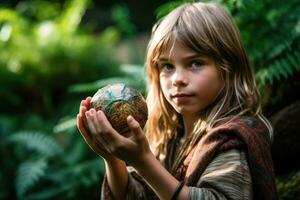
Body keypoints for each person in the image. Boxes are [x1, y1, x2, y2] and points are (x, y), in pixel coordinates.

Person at [77, 2, 278, 200]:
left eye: (195, 63)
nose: (177, 79)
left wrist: (144, 161)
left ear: (228, 68)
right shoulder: (170, 137)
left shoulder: (231, 140)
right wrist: (113, 159)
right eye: (167, 66)